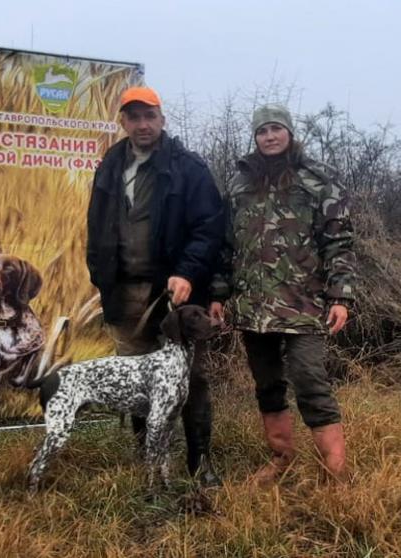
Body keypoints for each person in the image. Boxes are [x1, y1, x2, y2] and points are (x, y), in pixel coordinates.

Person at [209, 103, 356, 483]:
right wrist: (219, 295)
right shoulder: (240, 182)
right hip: (253, 305)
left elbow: (338, 241)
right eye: (262, 131)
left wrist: (341, 297)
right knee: (267, 384)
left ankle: (335, 474)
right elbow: (226, 246)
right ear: (254, 137)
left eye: (276, 128)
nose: (269, 136)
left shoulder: (318, 179)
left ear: (289, 132)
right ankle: (281, 460)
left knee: (309, 379)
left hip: (304, 303)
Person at [87, 85, 226, 486]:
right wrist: (101, 276)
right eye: (134, 117)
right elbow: (96, 226)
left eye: (150, 116)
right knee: (136, 379)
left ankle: (199, 464)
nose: (143, 124)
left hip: (175, 296)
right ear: (124, 122)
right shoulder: (111, 164)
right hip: (124, 293)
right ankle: (148, 462)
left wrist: (186, 272)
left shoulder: (188, 167)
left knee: (192, 380)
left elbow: (209, 229)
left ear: (162, 120)